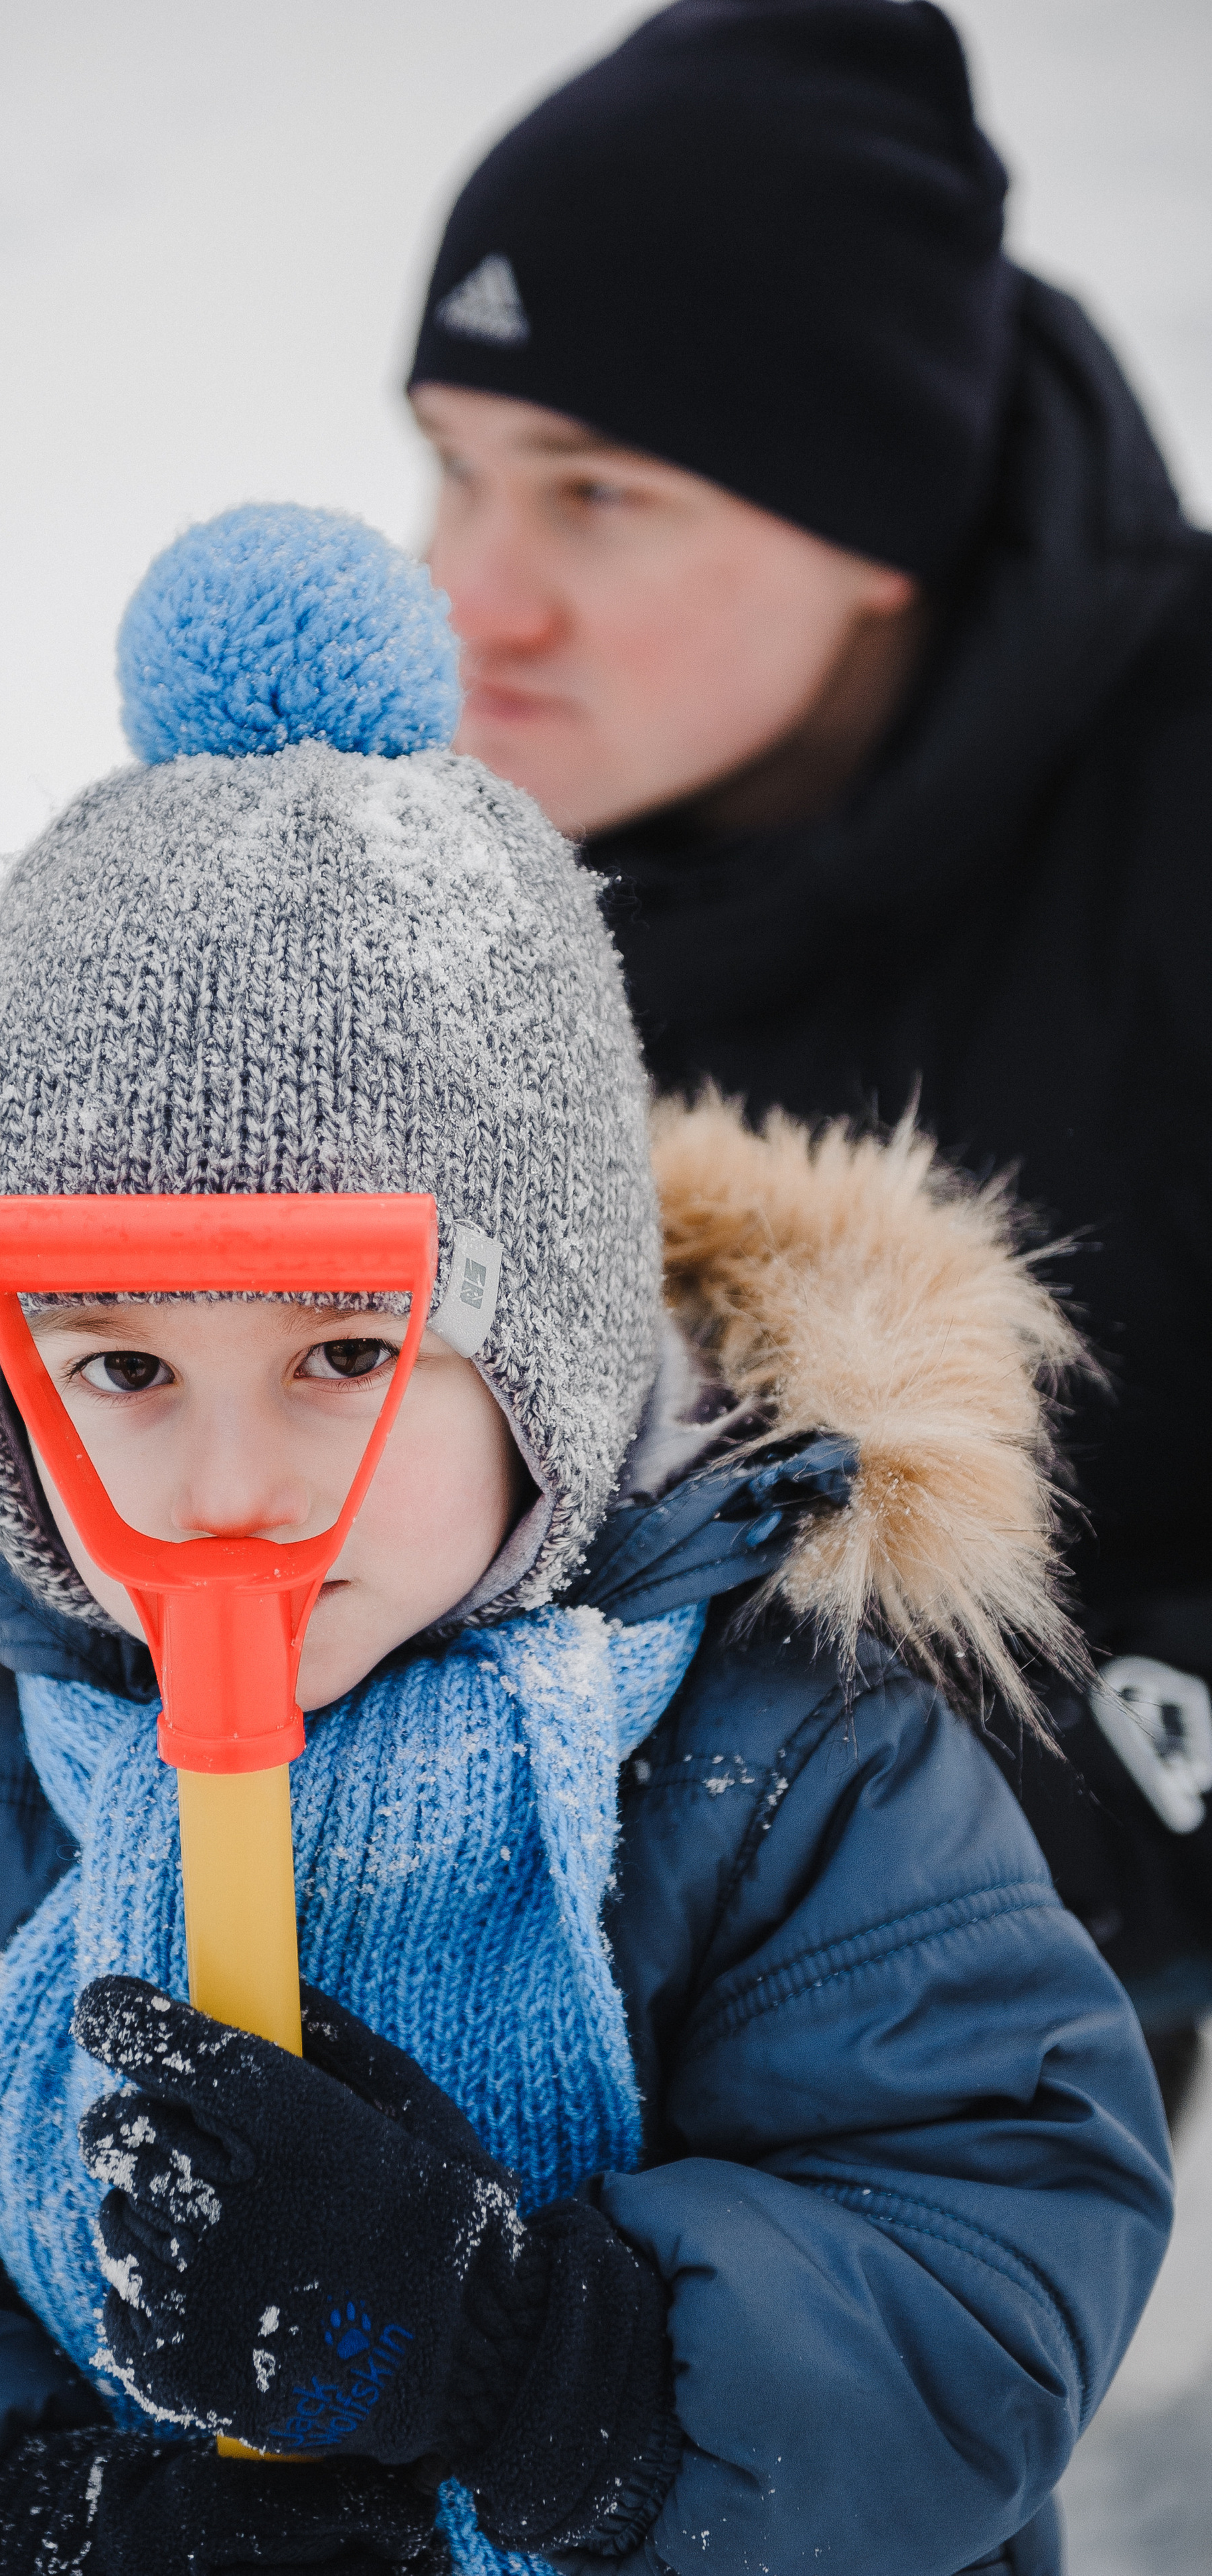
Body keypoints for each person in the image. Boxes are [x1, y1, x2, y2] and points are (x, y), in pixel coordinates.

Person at [0, 506, 1169, 2576]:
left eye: (347, 1350)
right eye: (123, 1374)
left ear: (536, 1353)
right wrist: (49, 2528)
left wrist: (523, 2361)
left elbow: (990, 2253)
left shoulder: (790, 1770)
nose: (229, 1491)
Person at [406, 0, 1212, 2123]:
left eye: (598, 493)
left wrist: (1046, 1798)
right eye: (457, 466)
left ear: (884, 530)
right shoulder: (445, 846)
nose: (467, 593)